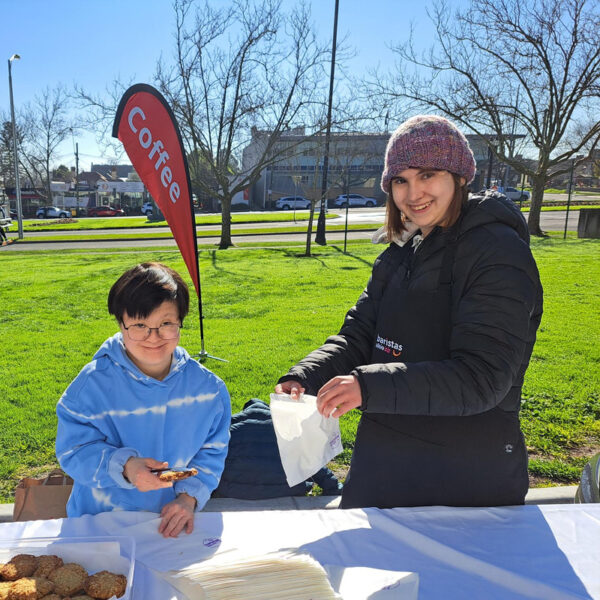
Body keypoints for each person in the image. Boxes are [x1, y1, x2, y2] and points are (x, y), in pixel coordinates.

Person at [276, 115, 543, 509]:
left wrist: (368, 387)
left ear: (459, 177)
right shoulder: (401, 250)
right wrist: (305, 376)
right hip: (384, 466)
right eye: (399, 179)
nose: (412, 192)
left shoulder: (497, 252)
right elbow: (360, 335)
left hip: (465, 479)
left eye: (427, 174)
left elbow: (483, 377)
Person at [56, 262, 231, 536]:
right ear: (120, 323)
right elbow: (73, 452)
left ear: (180, 322)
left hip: (170, 526)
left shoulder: (209, 390)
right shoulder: (90, 387)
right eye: (139, 325)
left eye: (166, 324)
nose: (153, 338)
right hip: (99, 525)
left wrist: (188, 498)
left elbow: (212, 452)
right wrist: (124, 467)